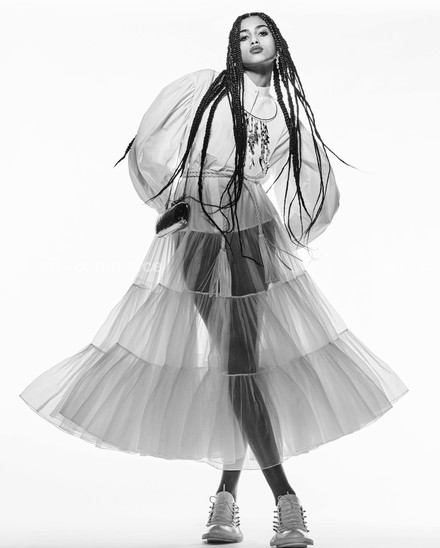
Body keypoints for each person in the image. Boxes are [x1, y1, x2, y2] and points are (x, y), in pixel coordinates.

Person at [19, 12, 409, 548]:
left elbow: (313, 181)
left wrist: (300, 228)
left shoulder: (285, 115)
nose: (253, 40)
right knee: (237, 362)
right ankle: (271, 501)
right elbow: (150, 139)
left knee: (239, 362)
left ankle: (248, 500)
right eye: (243, 35)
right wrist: (170, 197)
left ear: (278, 43)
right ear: (233, 47)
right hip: (198, 227)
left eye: (262, 32)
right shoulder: (206, 87)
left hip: (250, 230)